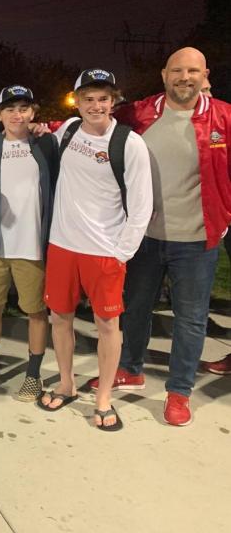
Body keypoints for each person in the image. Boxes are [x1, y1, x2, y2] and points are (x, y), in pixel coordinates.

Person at [94, 48, 231, 426]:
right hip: (144, 236)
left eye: (192, 70)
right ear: (164, 74)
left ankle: (179, 391)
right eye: (177, 70)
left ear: (205, 75)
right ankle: (130, 369)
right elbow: (92, 122)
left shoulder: (224, 117)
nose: (184, 77)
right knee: (135, 307)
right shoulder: (138, 114)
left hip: (197, 239)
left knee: (190, 318)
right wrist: (44, 129)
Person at [40, 69, 152, 432]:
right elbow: (37, 141)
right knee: (60, 318)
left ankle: (104, 398)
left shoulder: (128, 142)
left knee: (108, 325)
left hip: (104, 251)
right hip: (62, 245)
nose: (96, 105)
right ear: (78, 101)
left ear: (113, 101)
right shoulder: (68, 131)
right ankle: (67, 383)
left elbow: (142, 206)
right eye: (88, 98)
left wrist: (121, 253)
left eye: (103, 98)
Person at [0, 86, 58, 401]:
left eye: (23, 108)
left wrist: (48, 130)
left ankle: (33, 375)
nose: (16, 115)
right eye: (9, 109)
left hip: (32, 245)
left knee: (35, 312)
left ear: (33, 113)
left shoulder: (47, 143)